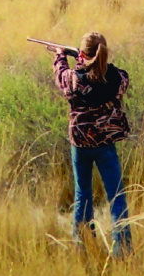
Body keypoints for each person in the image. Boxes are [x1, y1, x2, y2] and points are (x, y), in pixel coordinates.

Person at [48, 32, 133, 258]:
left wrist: (61, 56)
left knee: (82, 194)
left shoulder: (74, 79)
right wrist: (89, 61)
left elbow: (60, 75)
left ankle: (83, 247)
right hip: (106, 142)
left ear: (83, 54)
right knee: (116, 195)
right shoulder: (114, 78)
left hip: (81, 144)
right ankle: (123, 249)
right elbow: (122, 77)